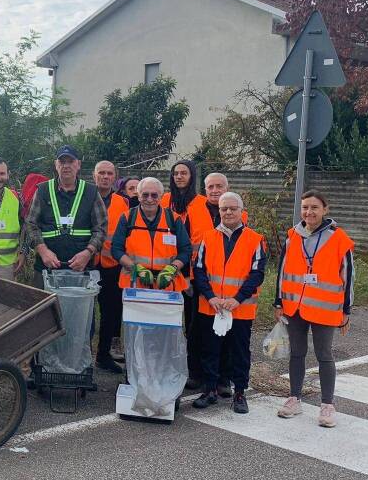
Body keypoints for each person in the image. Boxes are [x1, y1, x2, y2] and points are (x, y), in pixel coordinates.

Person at [275, 190, 355, 428]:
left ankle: (327, 405)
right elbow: (282, 271)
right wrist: (278, 301)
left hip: (325, 308)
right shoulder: (292, 236)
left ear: (325, 210)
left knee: (324, 355)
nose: (309, 212)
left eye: (314, 208)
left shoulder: (339, 238)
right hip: (295, 306)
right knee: (297, 353)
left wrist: (346, 310)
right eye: (305, 208)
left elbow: (348, 276)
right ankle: (294, 398)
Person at [191, 192, 267, 415]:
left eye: (233, 208)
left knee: (239, 352)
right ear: (219, 211)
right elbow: (199, 270)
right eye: (224, 209)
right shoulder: (207, 237)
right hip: (211, 306)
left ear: (241, 210)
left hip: (239, 309)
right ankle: (210, 390)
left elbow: (257, 274)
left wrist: (237, 299)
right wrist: (210, 296)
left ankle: (240, 392)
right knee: (210, 350)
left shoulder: (255, 239)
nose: (228, 212)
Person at [24, 145, 106, 288]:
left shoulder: (91, 192)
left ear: (78, 164)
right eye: (62, 162)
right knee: (44, 309)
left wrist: (88, 253)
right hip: (46, 268)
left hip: (81, 268)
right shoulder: (42, 190)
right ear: (56, 165)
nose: (66, 166)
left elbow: (101, 227)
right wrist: (43, 251)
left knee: (78, 309)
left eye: (71, 161)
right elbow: (31, 223)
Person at [160, 160, 207, 389]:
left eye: (184, 173)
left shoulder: (201, 204)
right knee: (167, 324)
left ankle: (194, 370)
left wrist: (190, 274)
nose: (179, 176)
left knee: (192, 325)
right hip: (165, 272)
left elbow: (200, 242)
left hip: (191, 274)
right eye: (176, 173)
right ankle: (166, 366)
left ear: (192, 176)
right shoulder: (164, 200)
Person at [111, 177, 190, 293]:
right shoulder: (127, 218)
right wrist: (135, 268)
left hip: (167, 284)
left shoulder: (173, 219)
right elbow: (116, 249)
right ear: (138, 196)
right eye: (145, 195)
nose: (149, 199)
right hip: (134, 284)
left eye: (154, 195)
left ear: (161, 197)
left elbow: (186, 250)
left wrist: (172, 269)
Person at [92, 160, 130, 373]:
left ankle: (103, 355)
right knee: (86, 314)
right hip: (87, 264)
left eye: (109, 173)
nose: (105, 177)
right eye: (101, 173)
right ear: (94, 175)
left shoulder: (122, 202)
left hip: (112, 265)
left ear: (115, 177)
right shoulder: (85, 197)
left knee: (110, 313)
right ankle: (80, 356)